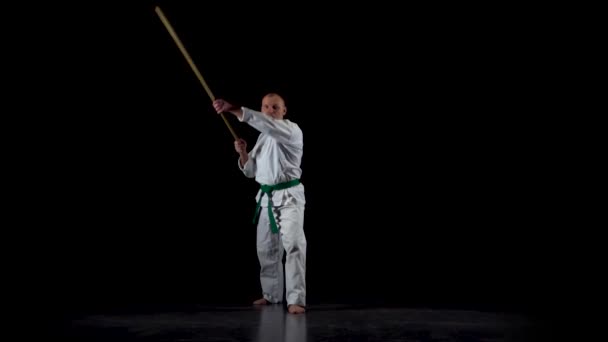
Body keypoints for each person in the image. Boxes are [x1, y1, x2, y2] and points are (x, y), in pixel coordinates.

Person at [212, 93, 307, 314]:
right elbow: (251, 171)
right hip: (266, 199)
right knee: (266, 248)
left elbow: (264, 123)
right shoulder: (264, 136)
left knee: (293, 246)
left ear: (284, 111)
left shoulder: (291, 130)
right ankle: (271, 294)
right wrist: (244, 152)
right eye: (265, 107)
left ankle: (296, 299)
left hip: (289, 198)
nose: (269, 111)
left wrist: (233, 108)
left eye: (275, 107)